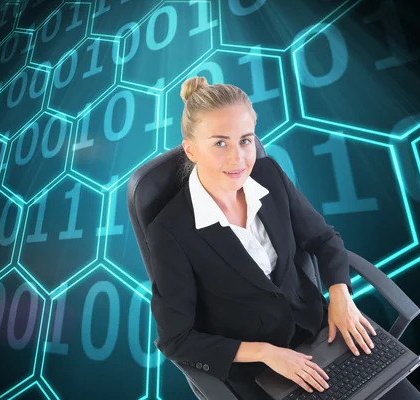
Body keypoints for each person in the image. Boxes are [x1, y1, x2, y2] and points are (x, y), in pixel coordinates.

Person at [146, 76, 377, 400]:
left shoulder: (268, 174)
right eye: (220, 143)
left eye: (245, 140)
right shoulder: (170, 231)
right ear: (192, 150)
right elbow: (177, 339)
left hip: (319, 330)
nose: (238, 159)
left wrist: (340, 293)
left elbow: (323, 239)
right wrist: (266, 353)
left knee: (392, 383)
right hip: (259, 371)